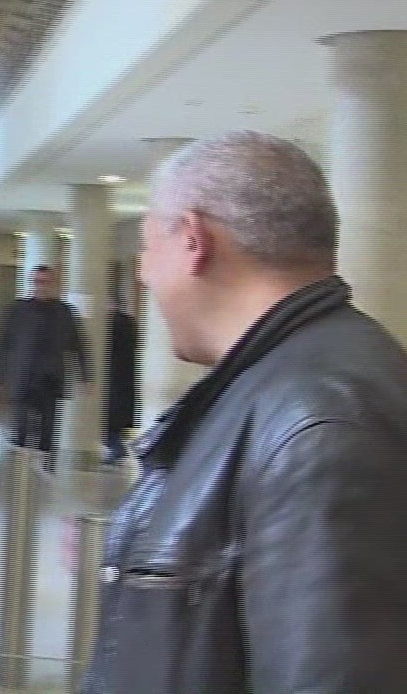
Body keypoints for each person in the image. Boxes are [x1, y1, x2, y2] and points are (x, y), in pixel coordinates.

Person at [87, 131, 407, 692]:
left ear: (194, 239)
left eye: (147, 245)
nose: (143, 272)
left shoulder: (320, 417)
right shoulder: (272, 385)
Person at [0, 263, 90, 469]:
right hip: (23, 377)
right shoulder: (18, 310)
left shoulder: (65, 312)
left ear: (53, 284)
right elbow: (3, 344)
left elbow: (79, 345)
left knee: (48, 430)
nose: (41, 286)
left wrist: (86, 376)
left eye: (45, 282)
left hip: (51, 379)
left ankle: (45, 467)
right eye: (37, 282)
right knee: (21, 428)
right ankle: (20, 470)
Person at [102, 263, 140, 463]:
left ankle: (118, 450)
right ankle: (117, 448)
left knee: (109, 421)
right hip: (125, 377)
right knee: (114, 421)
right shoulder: (130, 323)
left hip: (114, 378)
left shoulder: (113, 324)